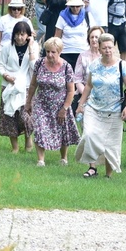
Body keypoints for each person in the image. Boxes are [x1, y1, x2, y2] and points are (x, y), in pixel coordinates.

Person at [75, 33, 126, 178]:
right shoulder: (94, 65)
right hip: (94, 108)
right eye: (104, 48)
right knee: (89, 135)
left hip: (114, 110)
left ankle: (108, 174)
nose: (107, 50)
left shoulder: (122, 65)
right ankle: (92, 167)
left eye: (110, 47)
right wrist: (81, 104)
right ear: (99, 49)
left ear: (114, 47)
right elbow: (88, 85)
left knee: (111, 144)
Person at [25, 37, 80, 166]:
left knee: (62, 130)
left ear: (59, 52)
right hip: (41, 103)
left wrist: (65, 108)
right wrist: (28, 102)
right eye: (48, 51)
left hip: (60, 104)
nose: (49, 55)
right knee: (40, 128)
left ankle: (64, 158)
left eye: (53, 52)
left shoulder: (66, 67)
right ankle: (41, 160)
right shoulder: (39, 63)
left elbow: (71, 91)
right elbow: (33, 85)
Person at [0, 21, 39, 153]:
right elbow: (0, 65)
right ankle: (15, 147)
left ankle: (28, 140)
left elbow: (34, 67)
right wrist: (6, 76)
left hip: (25, 85)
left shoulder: (34, 47)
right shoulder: (7, 47)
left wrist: (31, 47)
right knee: (9, 116)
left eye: (22, 34)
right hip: (9, 85)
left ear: (28, 35)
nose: (20, 38)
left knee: (25, 115)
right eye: (17, 35)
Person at [54, 0, 90, 73]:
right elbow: (57, 36)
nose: (75, 8)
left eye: (77, 6)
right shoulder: (62, 16)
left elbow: (92, 33)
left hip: (82, 51)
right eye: (72, 6)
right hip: (66, 52)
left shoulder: (87, 16)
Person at [73, 26, 103, 115]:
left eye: (96, 37)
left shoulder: (105, 56)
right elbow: (77, 80)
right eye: (92, 37)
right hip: (85, 95)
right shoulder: (82, 56)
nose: (94, 40)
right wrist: (87, 95)